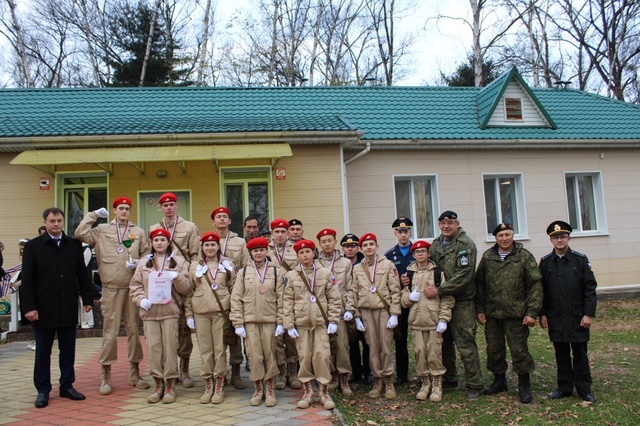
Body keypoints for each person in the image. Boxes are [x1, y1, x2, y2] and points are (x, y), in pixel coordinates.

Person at [75, 197, 150, 395]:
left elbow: (147, 255)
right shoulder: (101, 230)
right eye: (120, 208)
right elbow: (80, 234)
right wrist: (93, 215)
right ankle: (105, 374)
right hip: (110, 288)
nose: (124, 211)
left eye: (127, 208)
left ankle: (135, 372)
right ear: (114, 210)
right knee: (110, 331)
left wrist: (139, 265)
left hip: (132, 288)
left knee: (134, 330)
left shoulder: (138, 232)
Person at [20, 207, 94, 409]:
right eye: (52, 221)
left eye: (59, 220)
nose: (56, 224)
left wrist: (87, 299)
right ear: (45, 222)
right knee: (43, 351)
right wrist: (29, 308)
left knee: (68, 350)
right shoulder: (33, 247)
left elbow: (82, 275)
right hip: (43, 309)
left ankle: (67, 385)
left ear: (63, 222)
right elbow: (26, 280)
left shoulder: (73, 245)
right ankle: (43, 390)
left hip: (68, 306)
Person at [475, 223, 543, 404]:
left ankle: (524, 385)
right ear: (495, 238)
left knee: (519, 350)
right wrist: (480, 309)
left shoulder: (524, 257)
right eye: (500, 236)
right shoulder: (488, 257)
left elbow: (535, 286)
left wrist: (532, 312)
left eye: (507, 235)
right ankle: (499, 381)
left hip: (516, 314)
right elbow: (479, 284)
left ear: (513, 236)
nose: (504, 239)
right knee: (494, 350)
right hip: (493, 314)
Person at [130, 228, 191, 404]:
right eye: (156, 240)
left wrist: (177, 277)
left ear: (168, 243)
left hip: (170, 312)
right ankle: (158, 384)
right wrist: (140, 299)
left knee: (170, 348)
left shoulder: (178, 262)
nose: (159, 243)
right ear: (152, 243)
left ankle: (170, 384)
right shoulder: (143, 263)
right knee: (154, 349)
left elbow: (186, 288)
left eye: (162, 240)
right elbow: (135, 286)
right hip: (150, 313)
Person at [539, 220, 597, 404]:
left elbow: (590, 288)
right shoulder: (546, 262)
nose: (559, 240)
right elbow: (541, 291)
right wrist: (543, 313)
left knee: (580, 353)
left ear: (569, 238)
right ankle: (564, 388)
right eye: (555, 237)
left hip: (577, 315)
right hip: (556, 315)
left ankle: (584, 388)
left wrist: (588, 314)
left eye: (563, 236)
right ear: (551, 240)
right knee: (561, 353)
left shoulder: (580, 260)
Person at [428, 210, 483, 400]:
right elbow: (429, 268)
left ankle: (474, 383)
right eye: (442, 223)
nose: (446, 226)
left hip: (462, 301)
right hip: (442, 302)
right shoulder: (435, 244)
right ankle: (450, 378)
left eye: (450, 222)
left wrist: (440, 290)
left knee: (465, 342)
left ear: (457, 224)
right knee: (444, 342)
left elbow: (465, 275)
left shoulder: (465, 244)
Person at [283, 239, 341, 410]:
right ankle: (307, 392)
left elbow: (334, 298)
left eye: (308, 251)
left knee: (322, 356)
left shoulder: (324, 273)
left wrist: (334, 320)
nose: (305, 255)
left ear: (313, 253)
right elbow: (287, 301)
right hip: (301, 324)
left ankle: (323, 392)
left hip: (321, 324)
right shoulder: (291, 276)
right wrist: (289, 324)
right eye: (301, 253)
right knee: (305, 357)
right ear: (298, 256)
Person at [150, 192, 200, 389]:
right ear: (160, 208)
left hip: (182, 279)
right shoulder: (155, 228)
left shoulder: (189, 227)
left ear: (176, 206)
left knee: (183, 327)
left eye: (172, 204)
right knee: (162, 326)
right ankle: (164, 369)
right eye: (165, 205)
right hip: (160, 283)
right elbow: (150, 252)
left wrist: (191, 275)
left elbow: (195, 254)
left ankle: (184, 369)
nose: (169, 208)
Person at [231, 237, 284, 407]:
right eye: (255, 251)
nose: (259, 253)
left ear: (266, 251)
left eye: (261, 250)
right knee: (254, 355)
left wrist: (281, 321)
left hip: (270, 320)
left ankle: (269, 388)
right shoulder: (243, 273)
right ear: (251, 253)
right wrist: (238, 323)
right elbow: (236, 298)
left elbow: (282, 298)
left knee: (270, 354)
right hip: (250, 321)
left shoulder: (276, 272)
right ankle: (257, 388)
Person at [185, 231, 236, 404]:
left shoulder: (227, 264)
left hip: (221, 312)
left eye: (213, 244)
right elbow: (190, 291)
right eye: (206, 245)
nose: (210, 248)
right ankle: (208, 383)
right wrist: (189, 314)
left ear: (218, 246)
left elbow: (233, 289)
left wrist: (234, 313)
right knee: (205, 350)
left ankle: (220, 382)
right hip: (201, 313)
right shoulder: (194, 266)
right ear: (202, 247)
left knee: (219, 349)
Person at [401, 240, 454, 402]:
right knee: (419, 353)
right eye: (417, 252)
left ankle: (437, 385)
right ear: (413, 255)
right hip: (416, 322)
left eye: (423, 251)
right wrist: (409, 297)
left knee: (434, 354)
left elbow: (447, 298)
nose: (420, 254)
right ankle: (425, 384)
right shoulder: (408, 274)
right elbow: (403, 299)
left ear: (428, 253)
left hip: (433, 321)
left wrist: (444, 319)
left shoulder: (437, 273)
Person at [352, 233, 401, 399]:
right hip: (366, 311)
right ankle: (377, 380)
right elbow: (354, 293)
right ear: (361, 249)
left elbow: (395, 290)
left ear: (377, 246)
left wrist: (394, 313)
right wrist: (356, 316)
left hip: (383, 311)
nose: (368, 248)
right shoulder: (357, 268)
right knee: (372, 347)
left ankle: (389, 381)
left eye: (371, 244)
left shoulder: (388, 265)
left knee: (386, 346)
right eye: (365, 245)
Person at [211, 206, 249, 389]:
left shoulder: (239, 242)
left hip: (235, 292)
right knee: (217, 337)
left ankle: (236, 374)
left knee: (234, 336)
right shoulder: (208, 241)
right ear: (213, 221)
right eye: (218, 217)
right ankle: (220, 373)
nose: (222, 220)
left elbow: (245, 266)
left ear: (230, 221)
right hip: (216, 295)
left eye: (225, 216)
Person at [316, 228, 355, 396]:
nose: (327, 244)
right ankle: (331, 376)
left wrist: (350, 309)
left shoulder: (346, 263)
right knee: (326, 346)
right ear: (319, 244)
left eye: (329, 240)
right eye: (323, 242)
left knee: (342, 346)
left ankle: (344, 378)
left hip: (340, 310)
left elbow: (352, 288)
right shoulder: (315, 263)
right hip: (322, 312)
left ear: (335, 241)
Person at [267, 218, 301, 390]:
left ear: (287, 233)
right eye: (276, 232)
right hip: (272, 299)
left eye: (283, 232)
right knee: (277, 338)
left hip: (291, 298)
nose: (280, 235)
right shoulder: (265, 250)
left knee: (291, 337)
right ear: (272, 233)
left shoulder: (296, 250)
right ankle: (281, 373)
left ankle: (293, 372)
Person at [386, 217, 415, 386]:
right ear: (395, 233)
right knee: (400, 338)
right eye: (399, 232)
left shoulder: (420, 250)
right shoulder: (390, 255)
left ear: (410, 232)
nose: (403, 235)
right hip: (399, 301)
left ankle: (425, 372)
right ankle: (402, 375)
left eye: (406, 231)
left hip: (418, 300)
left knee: (422, 336)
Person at [341, 233, 370, 385]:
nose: (350, 249)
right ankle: (355, 371)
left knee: (366, 341)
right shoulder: (339, 264)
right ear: (343, 249)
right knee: (351, 342)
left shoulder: (365, 262)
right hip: (348, 306)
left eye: (353, 246)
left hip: (364, 305)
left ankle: (368, 372)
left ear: (358, 247)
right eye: (347, 246)